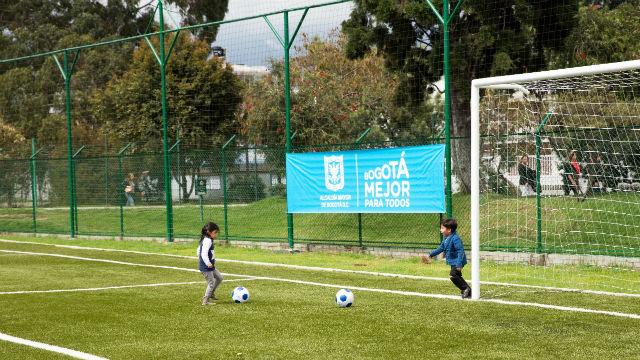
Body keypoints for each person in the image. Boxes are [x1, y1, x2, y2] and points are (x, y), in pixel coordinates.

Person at [421, 218, 471, 299]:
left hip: (458, 261)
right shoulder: (446, 238)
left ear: (449, 230)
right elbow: (440, 248)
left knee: (453, 275)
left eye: (442, 228)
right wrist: (430, 255)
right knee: (456, 276)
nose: (440, 230)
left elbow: (460, 251)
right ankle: (468, 290)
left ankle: (465, 288)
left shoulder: (455, 238)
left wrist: (459, 264)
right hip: (453, 261)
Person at [198, 222, 224, 305]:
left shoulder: (208, 239)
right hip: (206, 267)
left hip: (210, 266)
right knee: (211, 283)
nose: (216, 234)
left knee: (219, 278)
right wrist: (208, 263)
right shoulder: (207, 241)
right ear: (209, 232)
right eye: (215, 232)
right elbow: (203, 253)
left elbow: (198, 250)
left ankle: (211, 293)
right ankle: (205, 301)